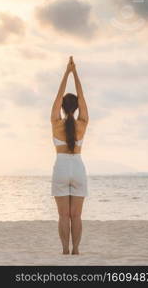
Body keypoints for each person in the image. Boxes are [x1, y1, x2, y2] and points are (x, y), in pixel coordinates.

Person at [50, 56, 89, 255]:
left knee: (63, 216)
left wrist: (66, 72)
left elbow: (57, 97)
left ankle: (65, 250)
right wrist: (75, 73)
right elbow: (82, 98)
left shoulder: (56, 123)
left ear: (63, 107)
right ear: (76, 107)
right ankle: (76, 250)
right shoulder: (82, 123)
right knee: (77, 216)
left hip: (62, 167)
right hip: (78, 168)